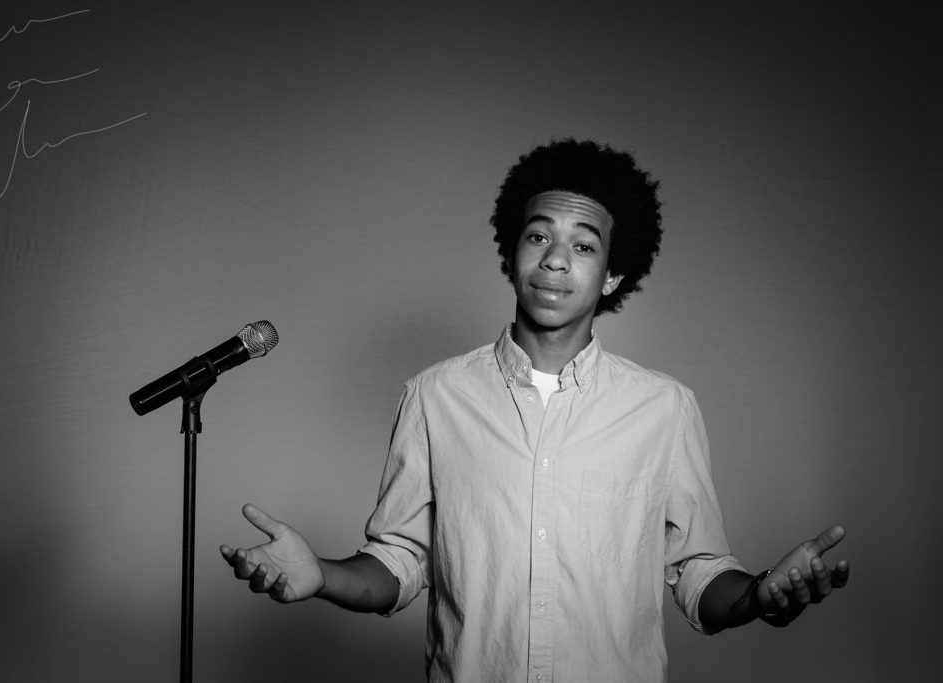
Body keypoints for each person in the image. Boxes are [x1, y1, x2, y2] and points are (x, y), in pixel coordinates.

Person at [220, 139, 849, 682]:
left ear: (611, 276)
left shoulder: (665, 409)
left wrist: (762, 594)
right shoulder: (435, 396)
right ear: (512, 251)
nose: (554, 258)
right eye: (539, 235)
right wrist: (323, 575)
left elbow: (697, 572)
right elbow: (399, 560)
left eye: (583, 245)